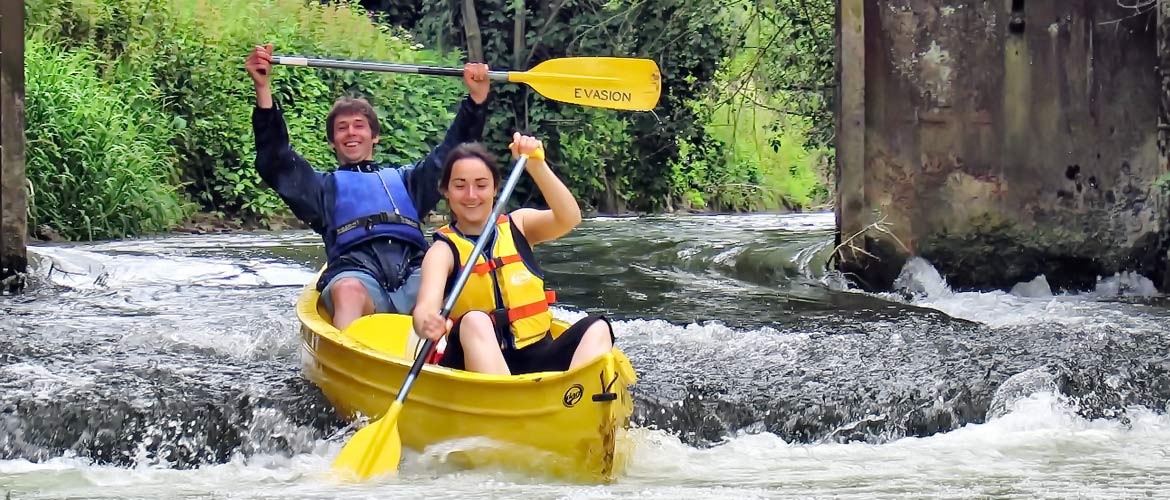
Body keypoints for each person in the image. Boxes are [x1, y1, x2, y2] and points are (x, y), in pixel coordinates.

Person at [245, 43, 491, 330]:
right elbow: (276, 160)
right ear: (332, 142)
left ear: (374, 137)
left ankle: (454, 351)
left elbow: (451, 153)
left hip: (413, 270)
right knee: (348, 290)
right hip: (356, 272)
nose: (351, 133)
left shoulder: (408, 181)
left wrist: (476, 102)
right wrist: (263, 89)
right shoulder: (322, 188)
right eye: (342, 128)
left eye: (359, 125)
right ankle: (349, 357)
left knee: (453, 280)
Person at [411, 134, 614, 375]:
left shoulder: (520, 225)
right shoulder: (442, 251)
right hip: (473, 361)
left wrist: (536, 165)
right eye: (460, 185)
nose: (471, 195)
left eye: (481, 184)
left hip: (536, 353)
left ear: (495, 188)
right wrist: (427, 322)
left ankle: (573, 400)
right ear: (446, 191)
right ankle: (507, 404)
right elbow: (425, 308)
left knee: (598, 327)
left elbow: (569, 218)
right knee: (475, 320)